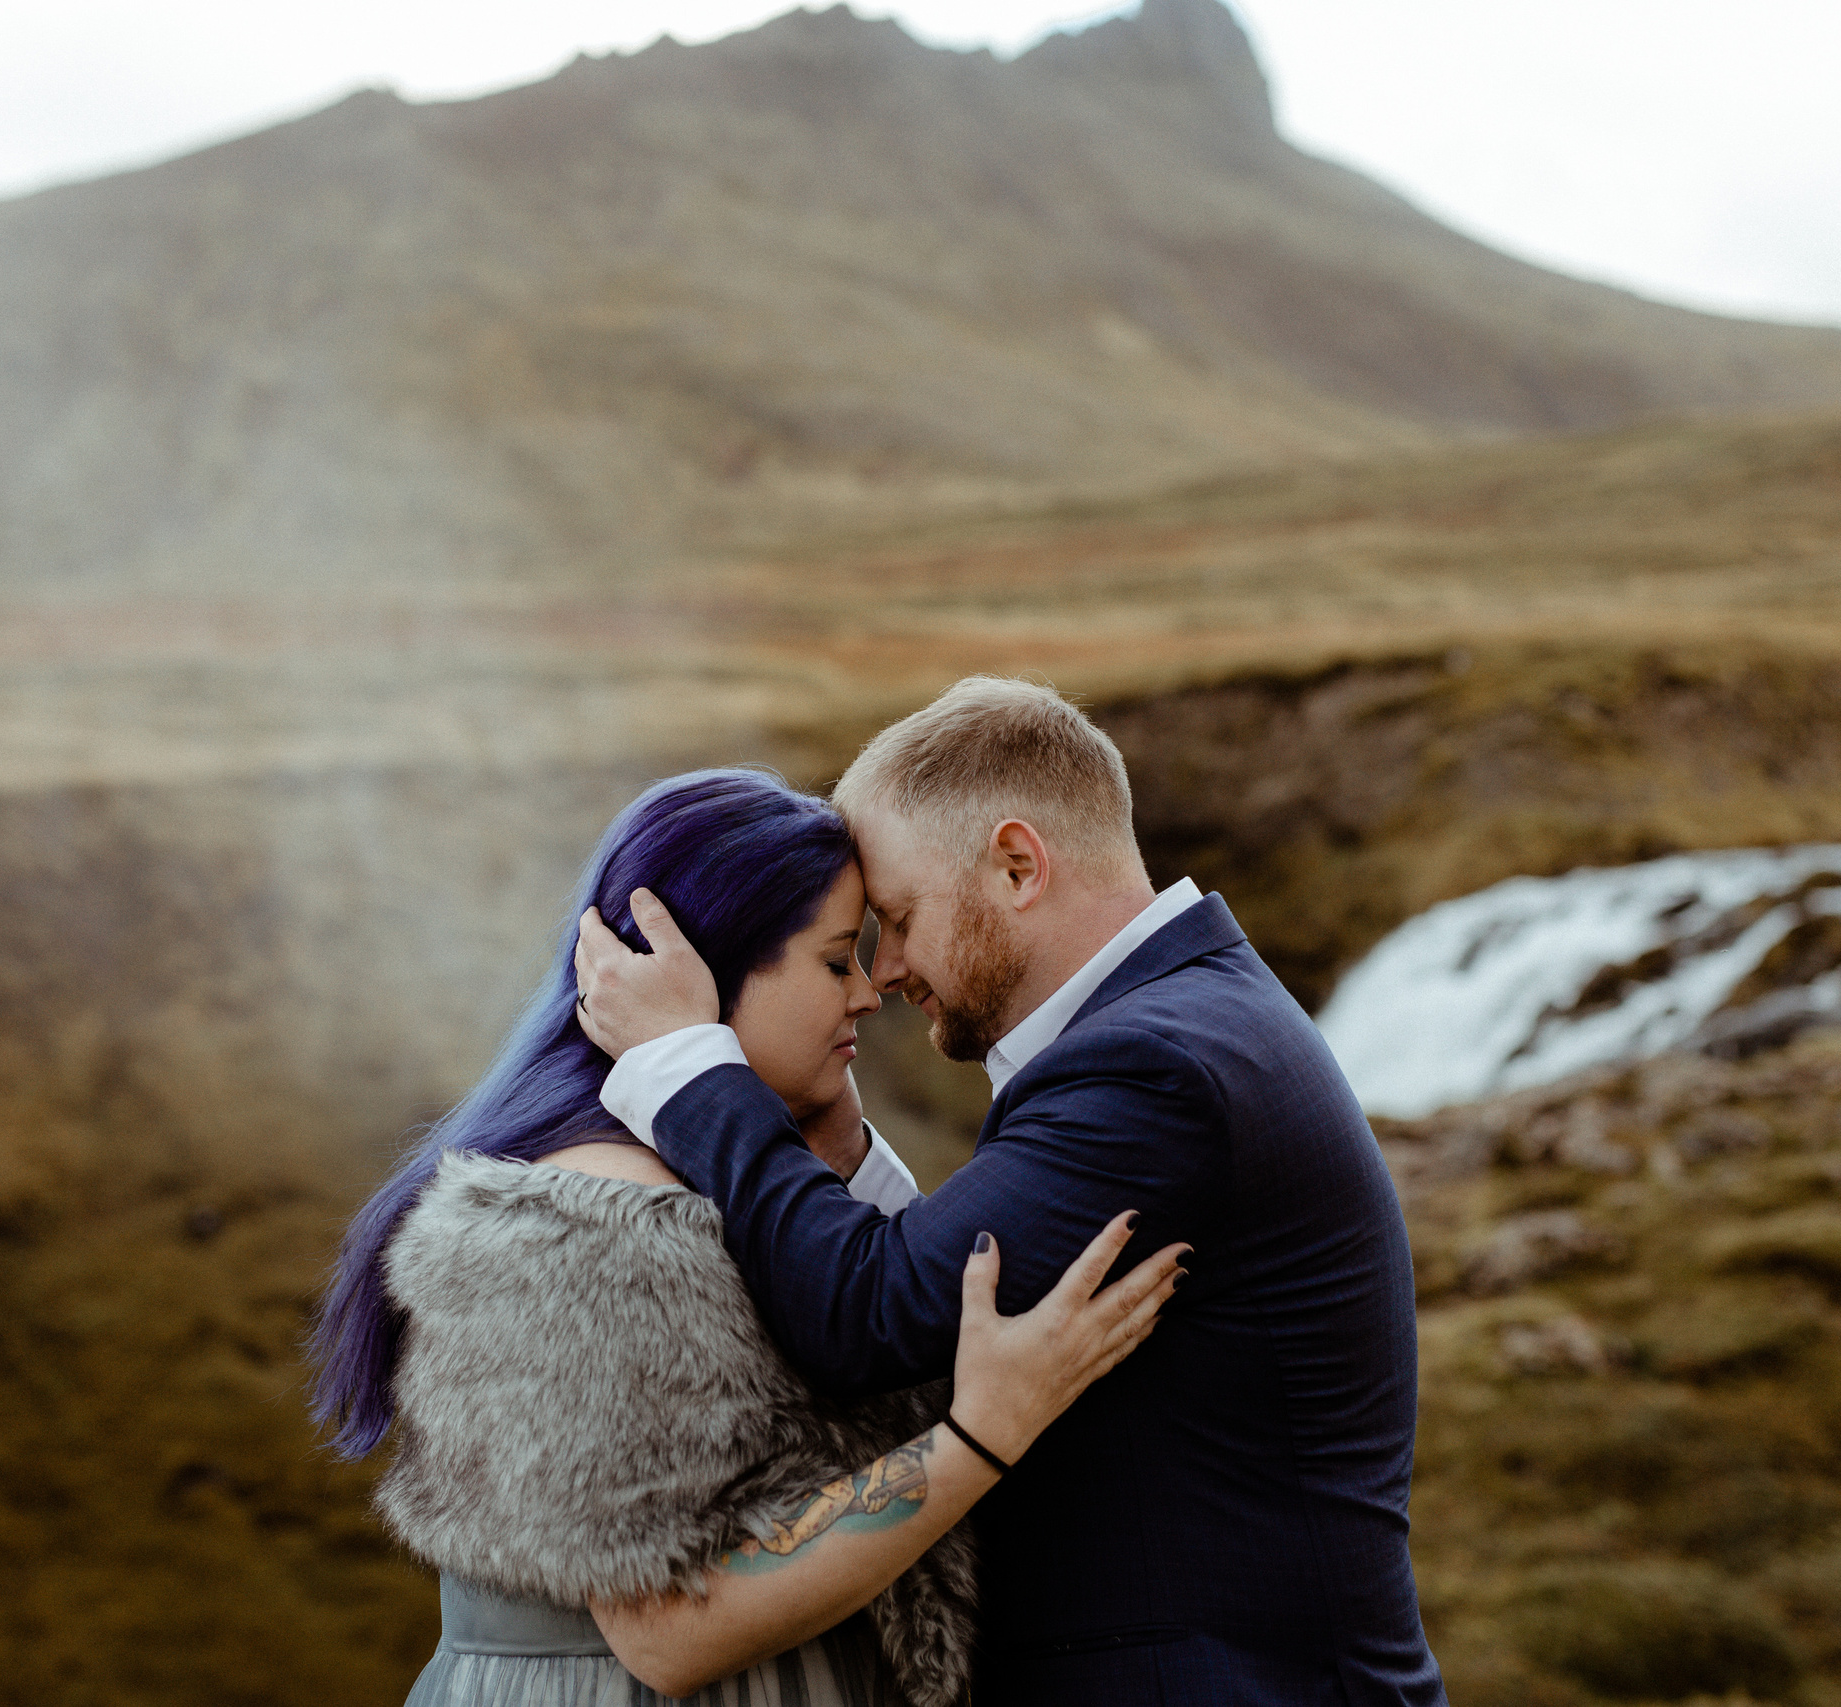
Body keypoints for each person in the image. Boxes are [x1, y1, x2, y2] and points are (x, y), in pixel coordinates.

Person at [574, 679, 1448, 1706]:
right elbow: (941, 1304)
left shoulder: (1153, 1068)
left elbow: (866, 1316)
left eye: (896, 918)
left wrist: (688, 1066)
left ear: (1017, 864)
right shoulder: (1189, 1021)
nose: (885, 969)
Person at [308, 768, 1185, 1707]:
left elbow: (868, 1345)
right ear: (710, 968)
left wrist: (836, 1146)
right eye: (836, 958)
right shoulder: (582, 1234)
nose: (868, 993)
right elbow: (667, 1633)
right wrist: (981, 1436)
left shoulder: (728, 1188)